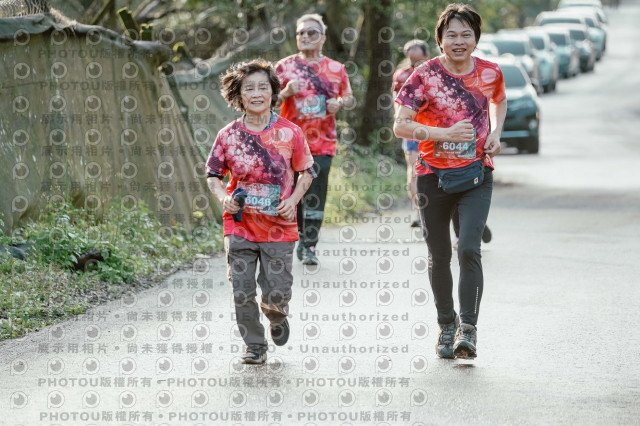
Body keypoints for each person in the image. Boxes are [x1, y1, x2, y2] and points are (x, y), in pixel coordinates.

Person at [393, 3, 507, 359]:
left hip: (476, 172)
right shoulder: (423, 75)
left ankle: (467, 329)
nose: (459, 41)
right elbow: (400, 125)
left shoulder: (490, 72)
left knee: (469, 248)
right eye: (451, 35)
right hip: (432, 176)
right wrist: (443, 133)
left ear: (476, 38)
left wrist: (496, 132)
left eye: (466, 34)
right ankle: (446, 325)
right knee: (439, 254)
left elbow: (499, 101)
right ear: (440, 39)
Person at [206, 59, 315, 364]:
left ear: (273, 92)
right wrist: (224, 197)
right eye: (249, 88)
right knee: (241, 291)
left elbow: (307, 172)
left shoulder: (291, 132)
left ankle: (276, 317)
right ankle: (255, 345)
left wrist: (293, 201)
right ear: (238, 95)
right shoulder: (227, 135)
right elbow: (213, 175)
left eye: (262, 87)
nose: (256, 93)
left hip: (279, 226)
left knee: (276, 293)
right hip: (239, 224)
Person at [275, 13, 354, 265]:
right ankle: (298, 235)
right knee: (292, 194)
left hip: (323, 143)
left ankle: (310, 245)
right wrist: (286, 92)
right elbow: (268, 101)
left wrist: (339, 103)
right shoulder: (284, 67)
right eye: (301, 32)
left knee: (316, 195)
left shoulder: (336, 68)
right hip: (289, 144)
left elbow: (349, 97)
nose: (305, 36)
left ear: (323, 38)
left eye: (311, 32)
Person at [392, 39, 431, 228]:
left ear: (427, 56)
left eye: (419, 61)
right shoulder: (401, 75)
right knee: (415, 171)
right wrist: (399, 121)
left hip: (435, 130)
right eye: (411, 61)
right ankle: (419, 211)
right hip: (411, 130)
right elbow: (396, 100)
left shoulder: (437, 73)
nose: (415, 66)